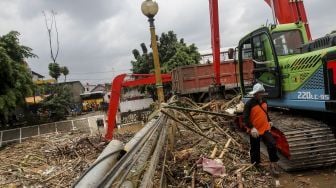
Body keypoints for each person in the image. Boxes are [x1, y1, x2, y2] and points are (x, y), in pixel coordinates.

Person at [243, 83, 280, 175]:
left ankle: (273, 164)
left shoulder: (265, 101)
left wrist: (269, 120)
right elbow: (245, 118)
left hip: (265, 128)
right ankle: (256, 164)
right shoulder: (249, 104)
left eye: (261, 92)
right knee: (255, 148)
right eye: (258, 93)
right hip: (255, 130)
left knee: (272, 144)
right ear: (255, 94)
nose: (260, 94)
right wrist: (252, 128)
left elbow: (265, 113)